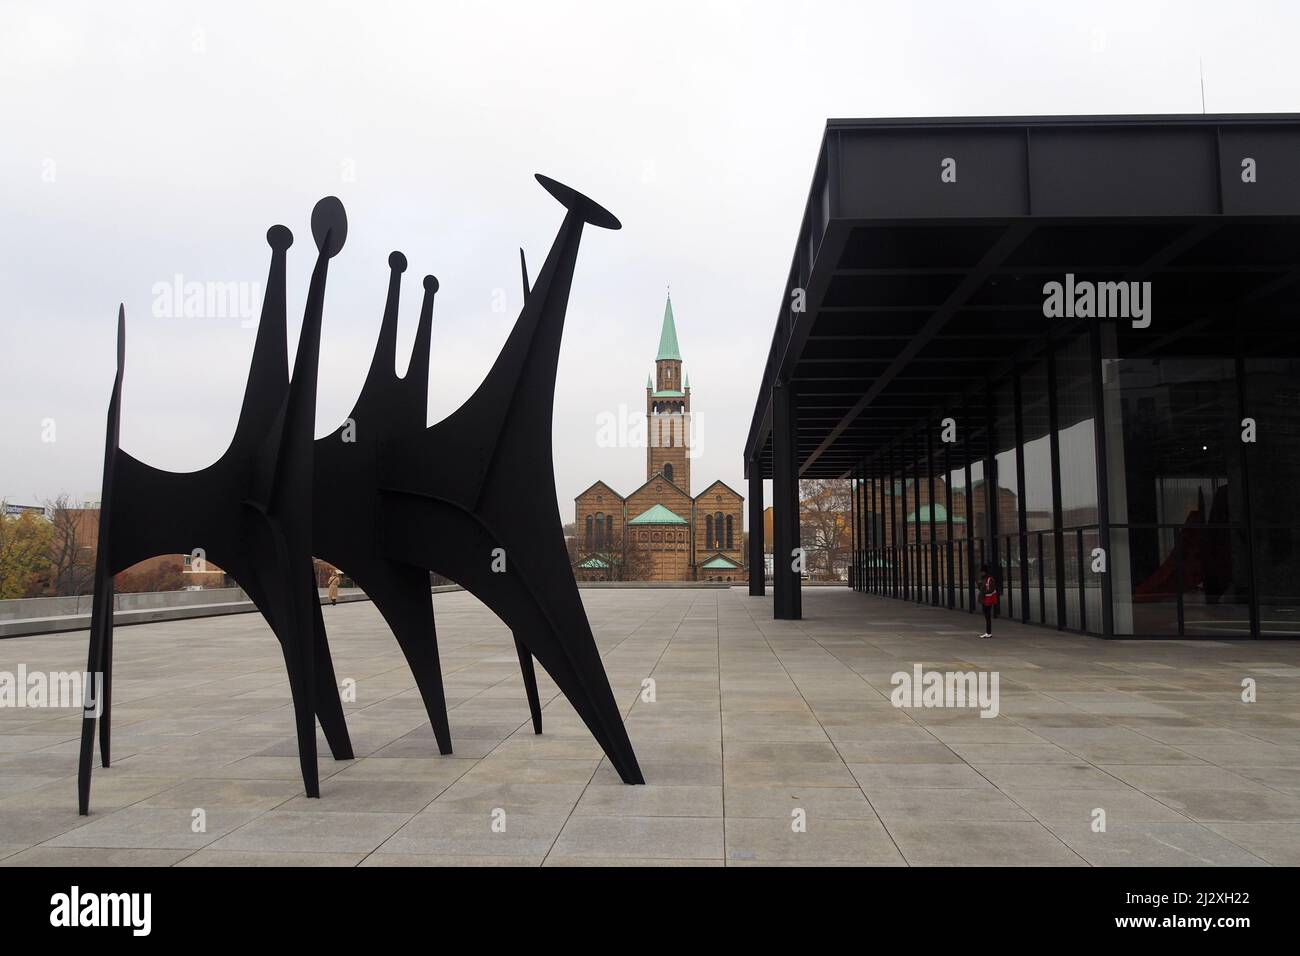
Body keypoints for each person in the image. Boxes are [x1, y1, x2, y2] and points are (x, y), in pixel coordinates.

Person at [978, 563, 998, 638]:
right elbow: (981, 588)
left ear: (985, 572)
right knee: (986, 615)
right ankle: (988, 632)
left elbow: (991, 589)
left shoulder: (990, 579)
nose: (981, 573)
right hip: (984, 599)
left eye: (982, 572)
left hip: (988, 599)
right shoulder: (984, 579)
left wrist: (984, 592)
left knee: (987, 616)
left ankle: (988, 632)